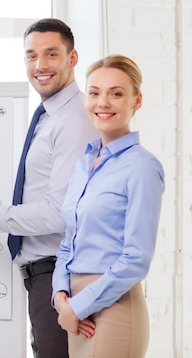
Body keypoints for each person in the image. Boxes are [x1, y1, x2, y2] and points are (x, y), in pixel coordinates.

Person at [0, 18, 98, 357]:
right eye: (31, 56)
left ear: (72, 58)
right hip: (42, 278)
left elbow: (60, 212)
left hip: (59, 277)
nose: (40, 66)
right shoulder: (48, 116)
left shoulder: (73, 119)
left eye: (51, 55)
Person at [51, 54, 164, 357]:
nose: (103, 102)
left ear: (136, 101)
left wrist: (80, 305)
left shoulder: (142, 167)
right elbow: (68, 242)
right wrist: (61, 297)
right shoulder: (84, 163)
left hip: (113, 305)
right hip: (74, 308)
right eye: (94, 92)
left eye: (116, 93)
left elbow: (137, 257)